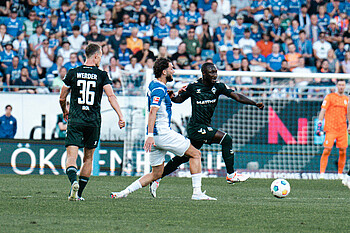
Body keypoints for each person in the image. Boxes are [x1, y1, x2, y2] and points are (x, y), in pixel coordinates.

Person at [149, 62, 265, 197]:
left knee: (183, 158)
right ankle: (231, 174)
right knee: (226, 138)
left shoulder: (219, 87)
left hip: (204, 127)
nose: (215, 75)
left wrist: (254, 103)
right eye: (211, 73)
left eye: (215, 72)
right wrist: (173, 96)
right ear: (204, 74)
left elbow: (237, 96)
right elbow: (180, 99)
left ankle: (156, 178)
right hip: (196, 128)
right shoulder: (193, 87)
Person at [110, 58, 216, 201]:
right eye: (171, 68)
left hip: (156, 138)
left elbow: (160, 98)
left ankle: (124, 192)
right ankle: (197, 192)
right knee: (195, 154)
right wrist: (150, 135)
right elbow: (153, 111)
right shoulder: (160, 90)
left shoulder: (155, 85)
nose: (173, 71)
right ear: (164, 71)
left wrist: (173, 93)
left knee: (156, 174)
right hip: (162, 134)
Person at [59, 43, 125, 201]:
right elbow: (111, 97)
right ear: (95, 56)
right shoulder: (102, 75)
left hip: (75, 119)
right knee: (88, 158)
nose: (101, 58)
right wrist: (120, 116)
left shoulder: (73, 72)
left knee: (71, 157)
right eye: (101, 55)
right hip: (93, 121)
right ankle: (79, 193)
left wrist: (64, 111)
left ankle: (73, 182)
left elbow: (62, 97)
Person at [317, 79, 349, 179]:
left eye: (343, 85)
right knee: (327, 149)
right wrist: (319, 123)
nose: (341, 87)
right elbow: (323, 110)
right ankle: (322, 174)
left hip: (342, 128)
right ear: (336, 85)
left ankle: (340, 174)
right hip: (331, 128)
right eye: (339, 85)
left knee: (343, 151)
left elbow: (348, 114)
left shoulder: (346, 99)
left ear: (345, 86)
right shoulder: (330, 97)